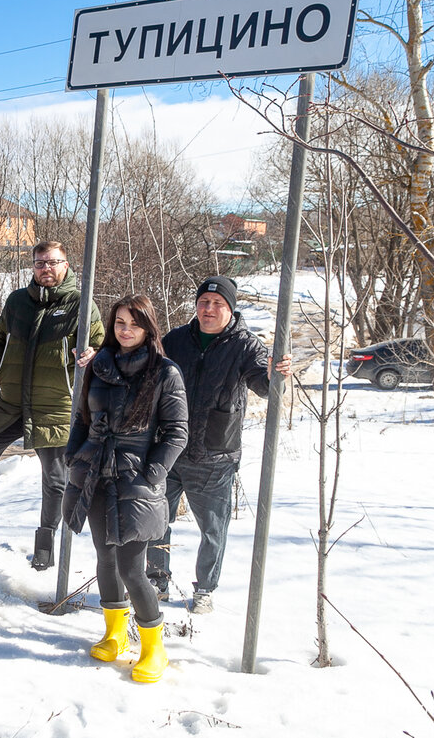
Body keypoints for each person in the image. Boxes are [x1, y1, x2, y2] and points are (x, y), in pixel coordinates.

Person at [0, 240, 103, 570]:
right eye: (39, 263)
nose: (45, 269)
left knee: (55, 477)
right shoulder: (18, 301)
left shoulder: (81, 304)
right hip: (11, 402)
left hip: (54, 406)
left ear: (66, 264)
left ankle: (45, 543)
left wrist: (94, 354)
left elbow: (101, 343)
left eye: (52, 262)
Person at [146, 275, 291, 614]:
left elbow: (264, 387)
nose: (209, 309)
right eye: (204, 303)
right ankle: (156, 580)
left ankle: (205, 589)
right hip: (168, 448)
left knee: (212, 528)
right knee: (155, 521)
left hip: (215, 455)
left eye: (217, 304)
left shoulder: (245, 345)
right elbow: (146, 371)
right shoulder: (177, 339)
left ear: (230, 308)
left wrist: (274, 375)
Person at [64, 294, 187, 683]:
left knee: (133, 568)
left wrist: (153, 474)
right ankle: (115, 634)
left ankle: (154, 648)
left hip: (136, 479)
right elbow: (83, 417)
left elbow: (177, 432)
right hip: (95, 471)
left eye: (133, 323)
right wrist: (74, 453)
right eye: (119, 322)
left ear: (148, 327)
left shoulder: (164, 372)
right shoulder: (99, 366)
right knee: (104, 556)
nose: (125, 330)